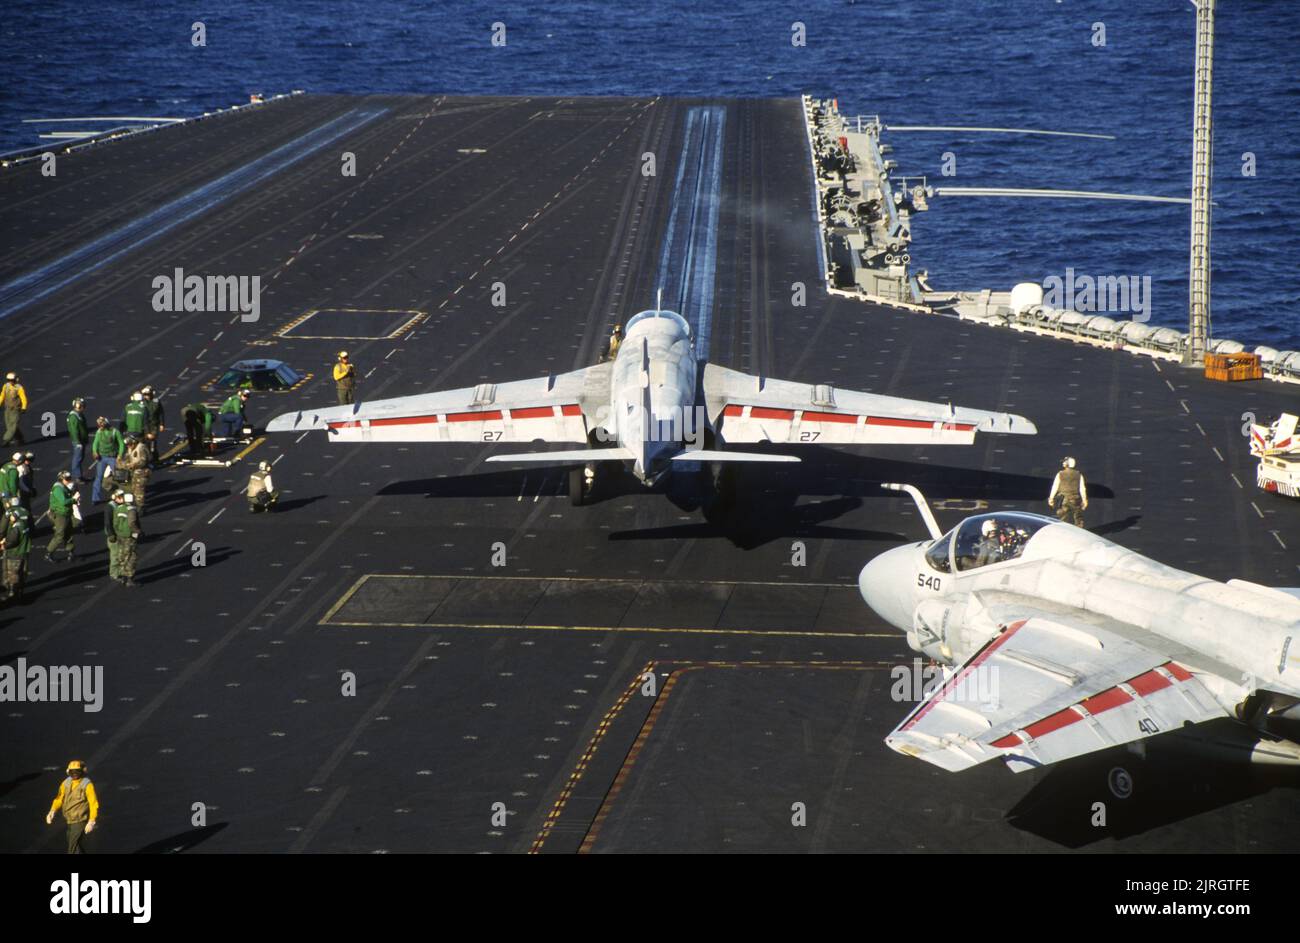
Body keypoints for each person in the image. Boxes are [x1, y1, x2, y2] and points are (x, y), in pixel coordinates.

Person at [46, 760, 99, 854]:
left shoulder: (87, 785)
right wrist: (52, 811)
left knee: (72, 846)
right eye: (72, 771)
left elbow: (93, 803)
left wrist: (91, 821)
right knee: (75, 844)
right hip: (69, 819)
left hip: (80, 820)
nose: (74, 774)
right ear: (68, 772)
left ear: (83, 771)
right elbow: (59, 799)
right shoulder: (65, 783)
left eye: (77, 771)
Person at [105, 490, 141, 586]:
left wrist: (117, 533)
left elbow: (114, 523)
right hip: (129, 537)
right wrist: (138, 532)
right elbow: (132, 523)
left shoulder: (119, 508)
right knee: (132, 557)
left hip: (120, 536)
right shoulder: (131, 509)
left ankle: (122, 576)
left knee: (122, 556)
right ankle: (129, 578)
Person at [45, 471, 80, 562]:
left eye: (69, 478)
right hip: (60, 515)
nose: (69, 480)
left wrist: (75, 499)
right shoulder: (58, 488)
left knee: (68, 533)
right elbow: (64, 501)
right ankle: (49, 553)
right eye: (67, 479)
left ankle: (71, 552)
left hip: (66, 513)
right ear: (61, 479)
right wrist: (73, 500)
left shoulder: (63, 487)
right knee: (60, 535)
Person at [90, 416, 124, 503]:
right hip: (102, 457)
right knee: (98, 478)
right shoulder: (99, 432)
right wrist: (95, 452)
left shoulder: (114, 431)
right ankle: (95, 498)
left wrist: (120, 455)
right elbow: (95, 444)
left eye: (102, 424)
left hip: (113, 457)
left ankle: (121, 495)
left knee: (119, 476)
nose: (100, 426)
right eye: (99, 424)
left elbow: (121, 443)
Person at [1, 504, 31, 601]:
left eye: (12, 516)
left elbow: (12, 541)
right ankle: (20, 592)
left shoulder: (16, 529)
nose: (10, 517)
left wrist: (3, 545)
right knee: (22, 573)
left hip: (15, 554)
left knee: (13, 575)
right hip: (24, 552)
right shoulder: (24, 525)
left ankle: (12, 593)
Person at [1048, 456, 1088, 527]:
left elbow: (1055, 487)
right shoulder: (1079, 474)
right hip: (1075, 500)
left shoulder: (1060, 474)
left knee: (1062, 522)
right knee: (1078, 521)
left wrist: (1051, 498)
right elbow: (1082, 488)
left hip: (1063, 501)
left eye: (1064, 462)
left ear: (1067, 463)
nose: (1063, 463)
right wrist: (1084, 500)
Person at [122, 434, 151, 515]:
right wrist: (124, 463)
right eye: (127, 445)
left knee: (139, 490)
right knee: (134, 489)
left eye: (130, 444)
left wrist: (134, 465)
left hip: (142, 472)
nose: (129, 446)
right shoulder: (130, 448)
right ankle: (138, 505)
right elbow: (127, 457)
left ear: (134, 442)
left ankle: (141, 507)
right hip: (134, 473)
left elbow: (143, 461)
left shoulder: (141, 448)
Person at [1, 372, 28, 446]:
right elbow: (2, 396)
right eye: (8, 380)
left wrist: (24, 407)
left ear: (15, 379)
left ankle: (6, 440)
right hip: (7, 409)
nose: (10, 381)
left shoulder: (19, 388)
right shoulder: (5, 386)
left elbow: (23, 398)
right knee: (10, 426)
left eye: (12, 380)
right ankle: (20, 439)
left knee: (13, 425)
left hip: (15, 409)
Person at [141, 385, 165, 465]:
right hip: (144, 425)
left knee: (152, 443)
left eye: (148, 394)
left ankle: (155, 458)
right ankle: (147, 459)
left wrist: (162, 424)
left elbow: (161, 413)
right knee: (145, 443)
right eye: (145, 395)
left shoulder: (156, 401)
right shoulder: (142, 403)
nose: (146, 396)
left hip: (154, 425)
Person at [68, 398, 89, 480]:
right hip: (78, 441)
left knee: (80, 458)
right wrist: (77, 442)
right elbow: (74, 430)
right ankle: (77, 476)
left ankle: (79, 475)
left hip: (81, 440)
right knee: (77, 458)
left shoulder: (79, 414)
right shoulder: (74, 416)